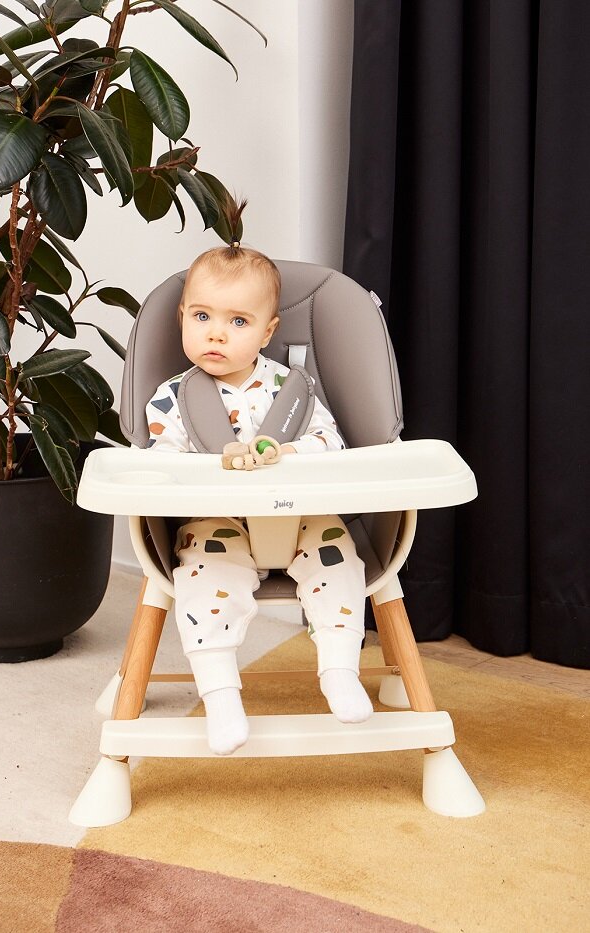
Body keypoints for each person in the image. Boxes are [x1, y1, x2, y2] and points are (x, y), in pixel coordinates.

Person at [145, 205, 373, 755]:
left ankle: (339, 670)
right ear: (182, 317)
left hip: (300, 516)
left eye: (238, 322)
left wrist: (288, 451)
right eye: (202, 316)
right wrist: (210, 463)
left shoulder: (292, 390)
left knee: (339, 560)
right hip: (217, 523)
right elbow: (161, 466)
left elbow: (332, 445)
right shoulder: (173, 398)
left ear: (268, 331)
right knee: (203, 582)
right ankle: (221, 694)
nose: (216, 333)